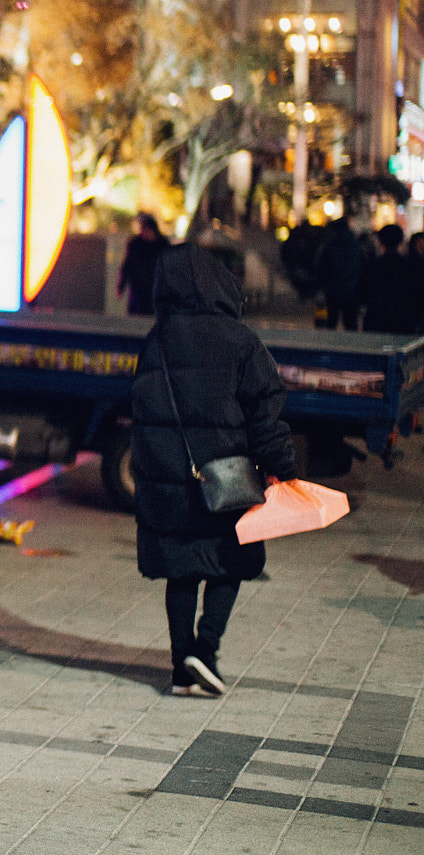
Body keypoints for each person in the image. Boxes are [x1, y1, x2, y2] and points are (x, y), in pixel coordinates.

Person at [130, 245, 296, 697]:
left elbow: (142, 411)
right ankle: (204, 651)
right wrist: (282, 466)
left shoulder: (157, 339)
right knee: (230, 561)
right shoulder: (239, 340)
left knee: (180, 570)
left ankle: (182, 668)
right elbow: (265, 411)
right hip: (227, 481)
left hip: (168, 481)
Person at [362, 224, 415, 334]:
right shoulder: (409, 267)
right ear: (401, 241)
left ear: (380, 242)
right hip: (402, 320)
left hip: (376, 318)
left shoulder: (373, 266)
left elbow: (362, 293)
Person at [315, 215, 364, 330]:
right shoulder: (355, 244)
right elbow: (362, 265)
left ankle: (331, 345)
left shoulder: (330, 244)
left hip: (333, 289)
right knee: (351, 322)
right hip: (352, 288)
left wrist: (320, 285)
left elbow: (322, 266)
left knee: (331, 321)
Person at [117, 213, 169, 315]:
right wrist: (120, 286)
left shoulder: (162, 245)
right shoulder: (136, 244)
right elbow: (127, 266)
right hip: (138, 289)